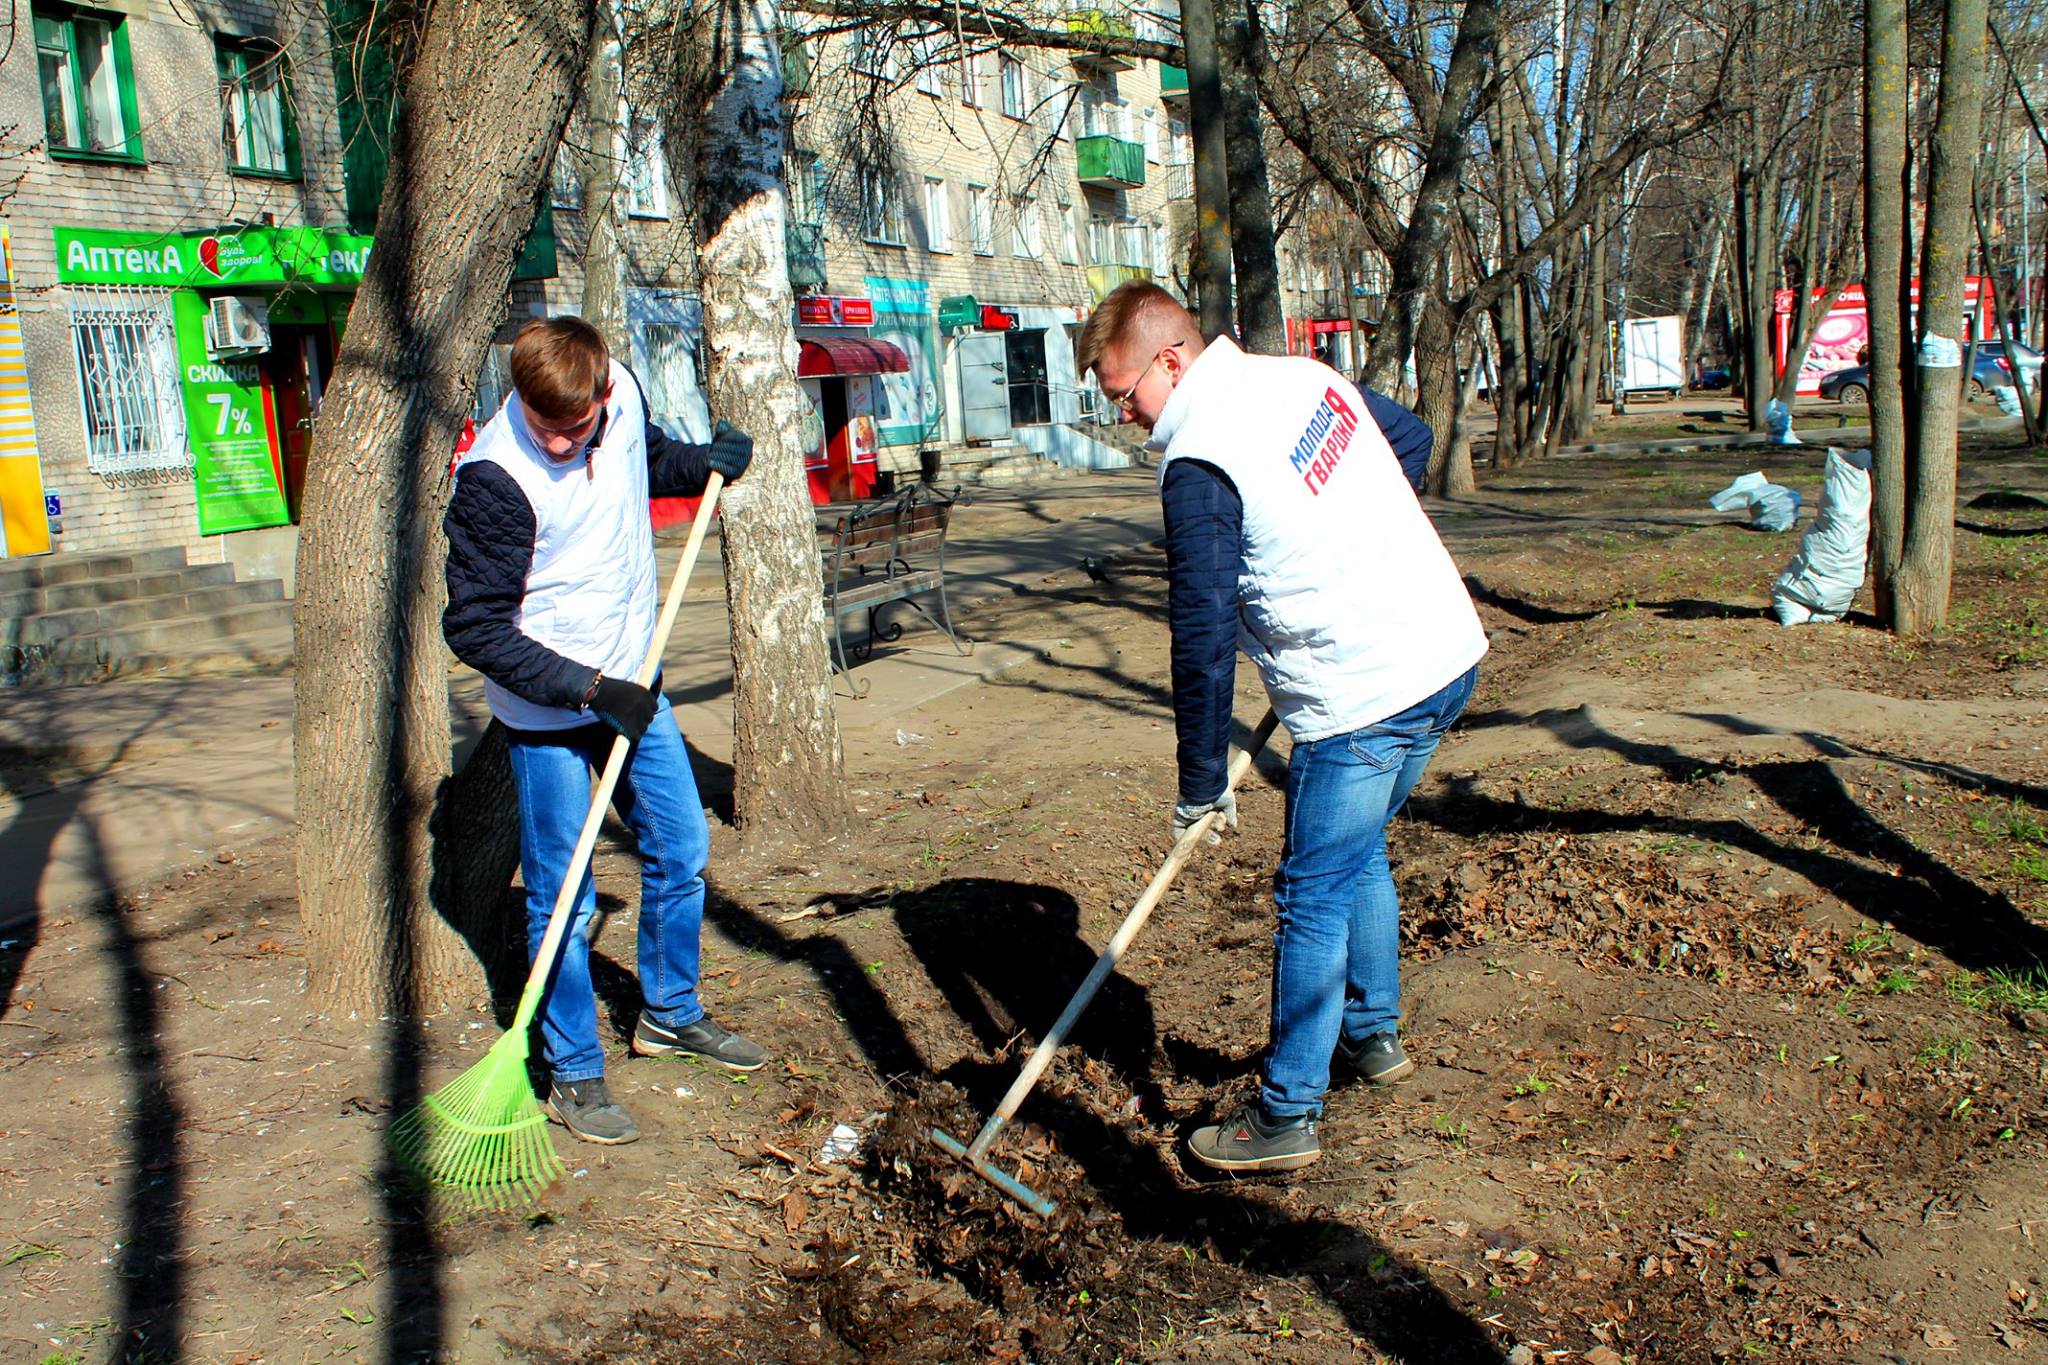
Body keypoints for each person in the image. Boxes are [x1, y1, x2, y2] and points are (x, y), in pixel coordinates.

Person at [1077, 283, 1487, 1173]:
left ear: (1172, 360)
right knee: (1357, 847)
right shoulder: (1299, 375)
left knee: (1311, 896)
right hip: (1446, 655)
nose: (1126, 417)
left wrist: (1197, 785)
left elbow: (1203, 629)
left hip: (1366, 695)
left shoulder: (1199, 457)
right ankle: (1372, 1035)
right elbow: (1407, 440)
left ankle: (1286, 1113)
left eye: (1125, 394)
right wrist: (1343, 538)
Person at [442, 316, 761, 1146]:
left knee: (682, 845)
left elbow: (643, 458)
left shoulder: (619, 398)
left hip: (633, 673)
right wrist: (585, 689)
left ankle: (669, 1011)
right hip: (549, 710)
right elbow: (476, 627)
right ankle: (575, 1070)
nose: (555, 442)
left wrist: (702, 464)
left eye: (572, 428)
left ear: (603, 392)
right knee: (563, 900)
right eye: (542, 425)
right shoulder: (494, 478)